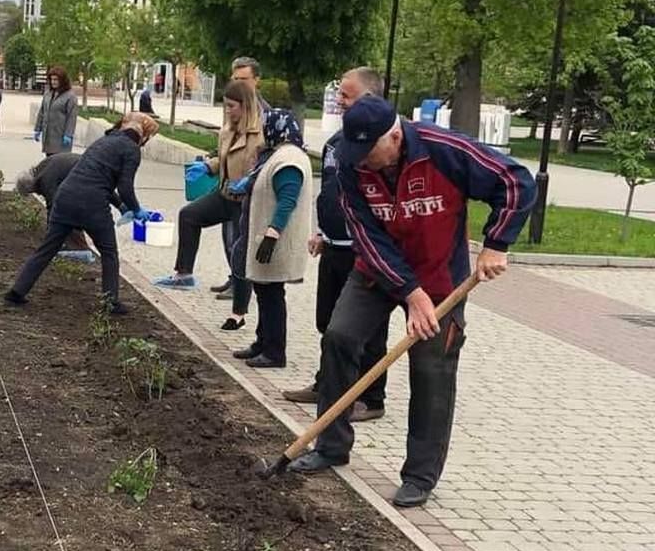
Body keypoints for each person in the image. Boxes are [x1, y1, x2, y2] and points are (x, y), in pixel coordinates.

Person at [288, 95, 535, 510]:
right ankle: (331, 445)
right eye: (357, 153)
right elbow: (367, 234)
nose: (362, 161)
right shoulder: (352, 167)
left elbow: (516, 182)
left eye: (369, 152)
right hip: (379, 272)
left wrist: (497, 242)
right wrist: (409, 292)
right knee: (339, 336)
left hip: (441, 279)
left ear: (395, 136)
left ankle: (420, 475)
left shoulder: (446, 151)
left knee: (431, 368)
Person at [282, 67, 391, 422]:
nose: (339, 101)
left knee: (367, 328)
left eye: (347, 95)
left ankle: (371, 397)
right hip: (332, 245)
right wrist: (320, 232)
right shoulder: (334, 144)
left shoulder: (382, 147)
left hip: (365, 251)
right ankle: (327, 383)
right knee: (328, 323)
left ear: (370, 100)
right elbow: (331, 190)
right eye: (340, 95)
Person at [5, 113, 159, 315]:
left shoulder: (103, 142)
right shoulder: (131, 150)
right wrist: (136, 209)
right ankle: (110, 302)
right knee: (109, 252)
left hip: (65, 198)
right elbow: (125, 186)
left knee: (47, 249)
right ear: (143, 135)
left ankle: (16, 292)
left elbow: (93, 174)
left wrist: (123, 207)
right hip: (93, 205)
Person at [153, 80, 264, 290]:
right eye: (226, 106)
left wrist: (249, 180)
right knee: (189, 215)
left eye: (232, 106)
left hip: (246, 201)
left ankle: (241, 290)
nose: (228, 111)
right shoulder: (227, 132)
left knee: (237, 245)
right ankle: (184, 274)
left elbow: (266, 166)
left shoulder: (260, 135)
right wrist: (208, 167)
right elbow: (225, 158)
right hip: (225, 194)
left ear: (246, 106)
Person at [225, 109, 312, 368]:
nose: (263, 132)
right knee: (264, 291)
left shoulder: (289, 160)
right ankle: (262, 342)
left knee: (272, 294)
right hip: (265, 238)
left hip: (275, 241)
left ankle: (275, 352)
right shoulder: (279, 155)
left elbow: (287, 199)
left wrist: (272, 233)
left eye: (266, 127)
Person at [211, 56, 273, 300]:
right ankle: (233, 279)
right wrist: (213, 165)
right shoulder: (231, 107)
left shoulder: (265, 114)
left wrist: (250, 178)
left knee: (240, 239)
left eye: (244, 79)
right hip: (227, 188)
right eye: (235, 79)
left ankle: (243, 288)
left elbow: (267, 154)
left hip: (249, 192)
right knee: (228, 237)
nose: (238, 84)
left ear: (256, 81)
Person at [34, 66, 78, 156]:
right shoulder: (48, 94)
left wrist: (68, 134)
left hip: (61, 137)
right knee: (49, 161)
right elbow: (42, 112)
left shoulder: (70, 96)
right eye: (51, 79)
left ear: (62, 80)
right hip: (48, 136)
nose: (53, 82)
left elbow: (72, 117)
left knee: (59, 164)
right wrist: (38, 128)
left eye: (56, 79)